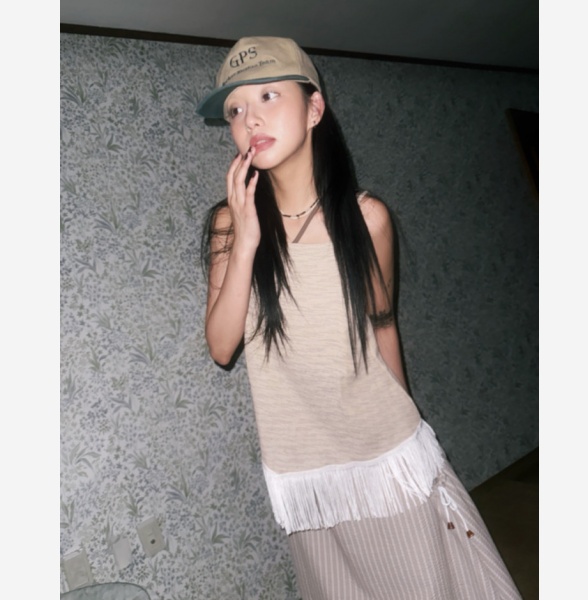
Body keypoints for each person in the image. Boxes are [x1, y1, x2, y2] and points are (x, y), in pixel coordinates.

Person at [197, 36, 521, 600]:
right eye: (235, 110)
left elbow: (383, 325)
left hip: (383, 452)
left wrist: (415, 435)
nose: (250, 119)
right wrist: (247, 242)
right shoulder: (232, 223)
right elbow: (222, 347)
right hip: (304, 474)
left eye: (269, 96)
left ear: (314, 108)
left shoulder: (366, 218)